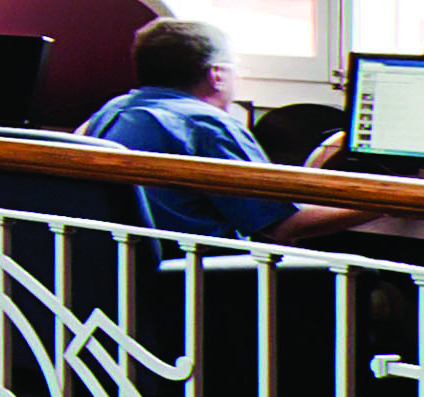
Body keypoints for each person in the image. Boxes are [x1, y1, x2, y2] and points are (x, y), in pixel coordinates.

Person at [73, 15, 295, 238]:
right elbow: (280, 226)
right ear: (217, 75)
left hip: (124, 254)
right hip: (201, 258)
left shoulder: (112, 110)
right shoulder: (207, 125)